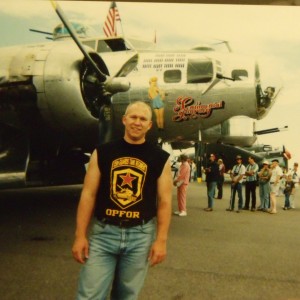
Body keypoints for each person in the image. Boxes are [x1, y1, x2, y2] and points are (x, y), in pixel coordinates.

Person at [72, 101, 172, 300]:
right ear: (124, 120)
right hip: (104, 234)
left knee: (127, 295)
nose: (137, 122)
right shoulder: (102, 152)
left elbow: (164, 201)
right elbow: (88, 195)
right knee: (89, 294)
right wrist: (80, 235)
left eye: (143, 119)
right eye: (133, 117)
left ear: (149, 125)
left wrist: (161, 241)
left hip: (140, 236)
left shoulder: (161, 158)